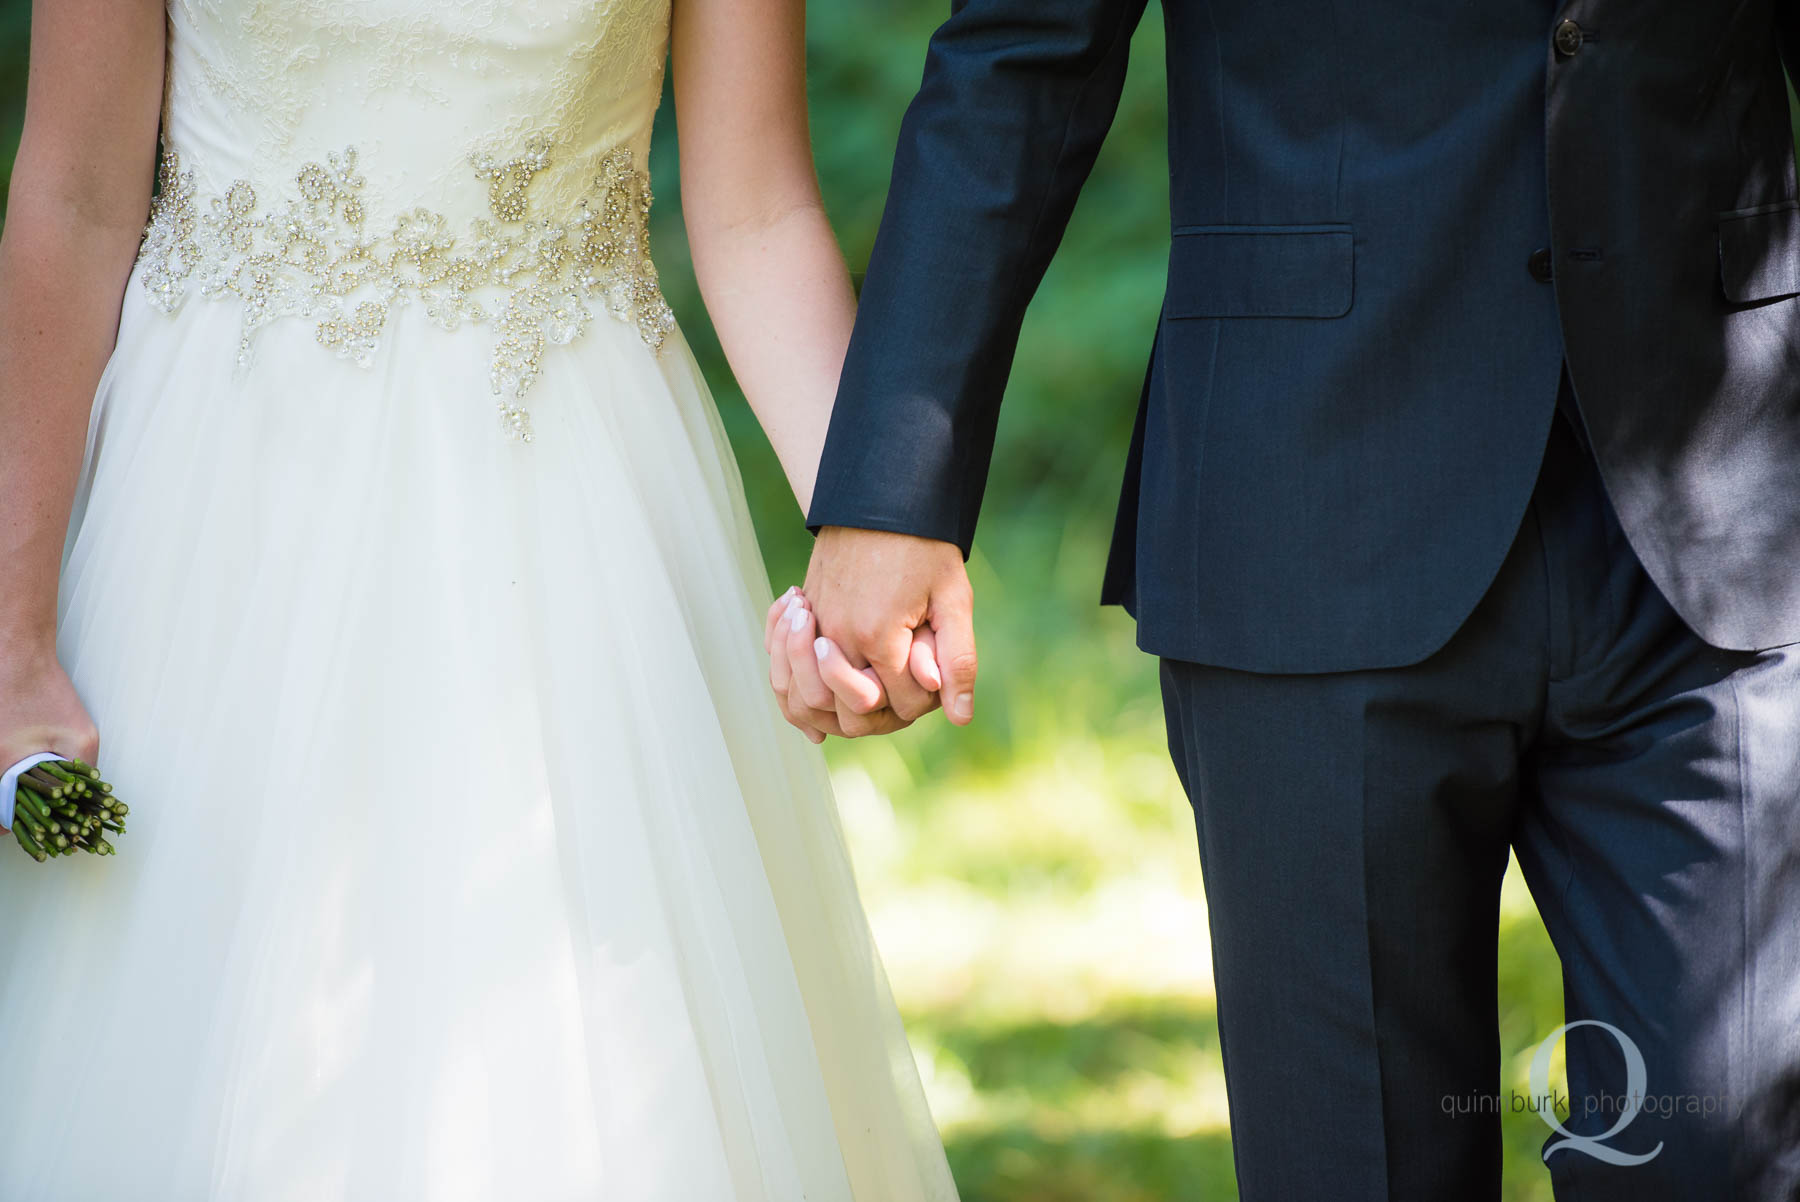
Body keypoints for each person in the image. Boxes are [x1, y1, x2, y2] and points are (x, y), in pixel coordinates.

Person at [771, 2, 1800, 1199]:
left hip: (1724, 500)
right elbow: (1026, 45)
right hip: (1310, 501)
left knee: (1734, 1155)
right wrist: (894, 494)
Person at [0, 1, 958, 1198]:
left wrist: (875, 530)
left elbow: (758, 208)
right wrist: (12, 626)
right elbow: (75, 197)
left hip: (569, 500)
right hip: (217, 505)